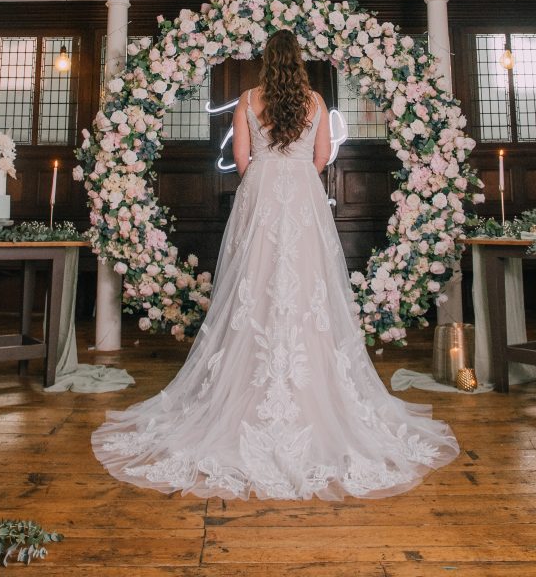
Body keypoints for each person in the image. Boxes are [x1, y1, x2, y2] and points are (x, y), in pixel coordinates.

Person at [91, 30, 459, 500]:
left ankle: (245, 386)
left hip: (262, 197)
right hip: (303, 199)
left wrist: (267, 177)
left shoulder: (248, 98)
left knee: (255, 285)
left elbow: (242, 160)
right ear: (299, 62)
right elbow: (324, 157)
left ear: (267, 62)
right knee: (308, 288)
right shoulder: (317, 101)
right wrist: (297, 167)